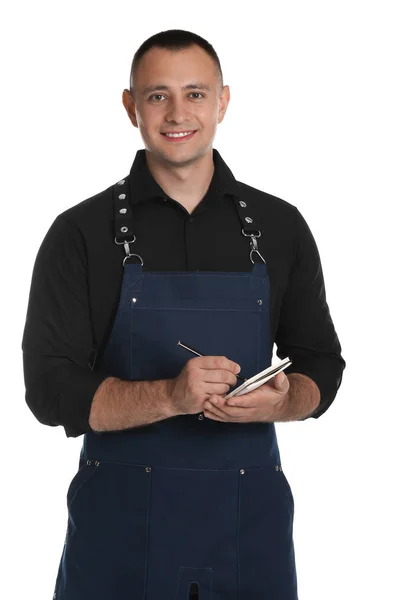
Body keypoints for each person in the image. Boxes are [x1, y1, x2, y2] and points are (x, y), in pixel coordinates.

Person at [21, 29, 345, 600]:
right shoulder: (80, 234)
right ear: (131, 107)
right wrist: (171, 397)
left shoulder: (281, 226)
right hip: (119, 531)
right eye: (157, 95)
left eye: (195, 94)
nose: (178, 113)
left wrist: (286, 397)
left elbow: (323, 362)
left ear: (222, 101)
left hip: (250, 528)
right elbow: (49, 391)